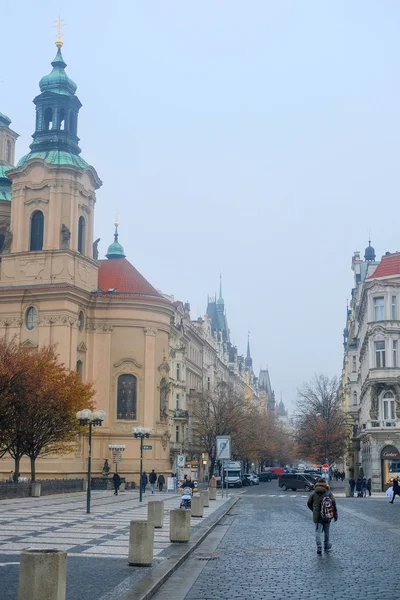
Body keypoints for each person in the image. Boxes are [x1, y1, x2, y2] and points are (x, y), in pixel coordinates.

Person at [307, 478, 338, 555]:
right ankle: (326, 545)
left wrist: (314, 510)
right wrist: (335, 515)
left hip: (317, 516)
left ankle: (319, 546)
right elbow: (333, 504)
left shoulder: (314, 493)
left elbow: (309, 503)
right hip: (327, 515)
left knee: (318, 531)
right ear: (325, 483)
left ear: (317, 483)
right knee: (326, 531)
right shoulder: (329, 493)